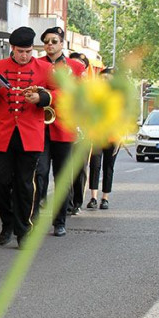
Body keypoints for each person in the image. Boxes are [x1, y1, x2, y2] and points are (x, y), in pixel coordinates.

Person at [0, 26, 54, 247]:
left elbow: (61, 93)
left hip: (30, 134)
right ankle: (8, 222)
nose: (24, 56)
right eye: (20, 51)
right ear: (12, 49)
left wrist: (42, 98)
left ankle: (23, 229)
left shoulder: (45, 68)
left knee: (25, 184)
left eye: (28, 51)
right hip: (3, 133)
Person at [33, 26, 86, 237]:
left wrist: (49, 94)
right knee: (39, 174)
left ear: (62, 43)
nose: (50, 45)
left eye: (54, 41)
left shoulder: (75, 67)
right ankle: (34, 218)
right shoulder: (37, 64)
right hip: (39, 126)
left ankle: (60, 221)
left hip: (64, 127)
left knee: (62, 176)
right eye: (46, 41)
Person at [88, 67, 119, 211]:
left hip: (113, 136)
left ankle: (105, 198)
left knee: (108, 166)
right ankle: (93, 197)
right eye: (102, 78)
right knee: (94, 165)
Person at [67, 52, 92, 217]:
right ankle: (67, 203)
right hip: (65, 129)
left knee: (80, 168)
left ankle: (77, 201)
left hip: (83, 132)